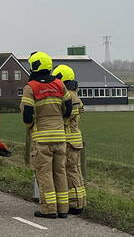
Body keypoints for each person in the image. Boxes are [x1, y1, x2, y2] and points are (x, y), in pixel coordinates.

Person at [22, 52, 73, 219]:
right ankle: (63, 209)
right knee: (60, 172)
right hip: (60, 137)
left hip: (42, 139)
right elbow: (69, 107)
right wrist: (62, 123)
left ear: (34, 66)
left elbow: (27, 114)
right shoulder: (59, 85)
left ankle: (49, 209)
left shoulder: (31, 87)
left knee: (44, 174)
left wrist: (31, 126)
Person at [53, 64, 86, 215]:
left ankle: (75, 204)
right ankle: (79, 201)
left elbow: (66, 117)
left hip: (69, 139)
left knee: (70, 170)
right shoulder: (74, 94)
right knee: (75, 170)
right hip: (74, 138)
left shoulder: (70, 96)